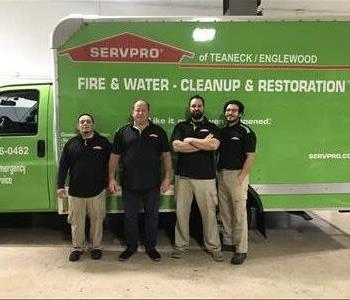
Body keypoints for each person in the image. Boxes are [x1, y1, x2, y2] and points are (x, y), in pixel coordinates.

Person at [109, 100, 172, 262]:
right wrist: (111, 178)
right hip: (129, 184)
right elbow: (114, 157)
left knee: (152, 217)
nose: (140, 113)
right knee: (130, 217)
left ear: (148, 112)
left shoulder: (158, 131)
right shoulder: (122, 132)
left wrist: (167, 178)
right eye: (138, 110)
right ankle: (131, 247)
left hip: (152, 184)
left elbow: (166, 155)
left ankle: (151, 247)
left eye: (144, 110)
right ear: (133, 112)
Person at [170, 95, 224, 262]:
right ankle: (180, 246)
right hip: (183, 177)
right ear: (189, 108)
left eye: (199, 105)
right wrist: (202, 145)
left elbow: (213, 145)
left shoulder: (212, 127)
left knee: (209, 214)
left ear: (203, 107)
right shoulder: (181, 126)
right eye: (193, 106)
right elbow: (176, 147)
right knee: (181, 213)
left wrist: (192, 140)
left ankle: (214, 247)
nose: (196, 108)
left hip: (206, 178)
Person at [57, 113, 111, 262]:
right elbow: (63, 166)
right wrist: (60, 186)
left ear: (92, 124)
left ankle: (96, 247)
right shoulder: (71, 144)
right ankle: (77, 248)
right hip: (76, 192)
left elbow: (112, 164)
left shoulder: (103, 142)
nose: (85, 124)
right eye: (82, 122)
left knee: (97, 220)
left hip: (97, 191)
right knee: (76, 222)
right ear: (78, 126)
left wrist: (110, 181)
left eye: (88, 121)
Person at [217, 100, 257, 265]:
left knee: (239, 214)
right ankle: (228, 241)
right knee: (225, 211)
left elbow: (250, 156)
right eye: (228, 110)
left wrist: (241, 177)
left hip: (237, 176)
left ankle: (241, 249)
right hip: (222, 175)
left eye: (234, 110)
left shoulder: (246, 132)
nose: (230, 113)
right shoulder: (222, 131)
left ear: (240, 113)